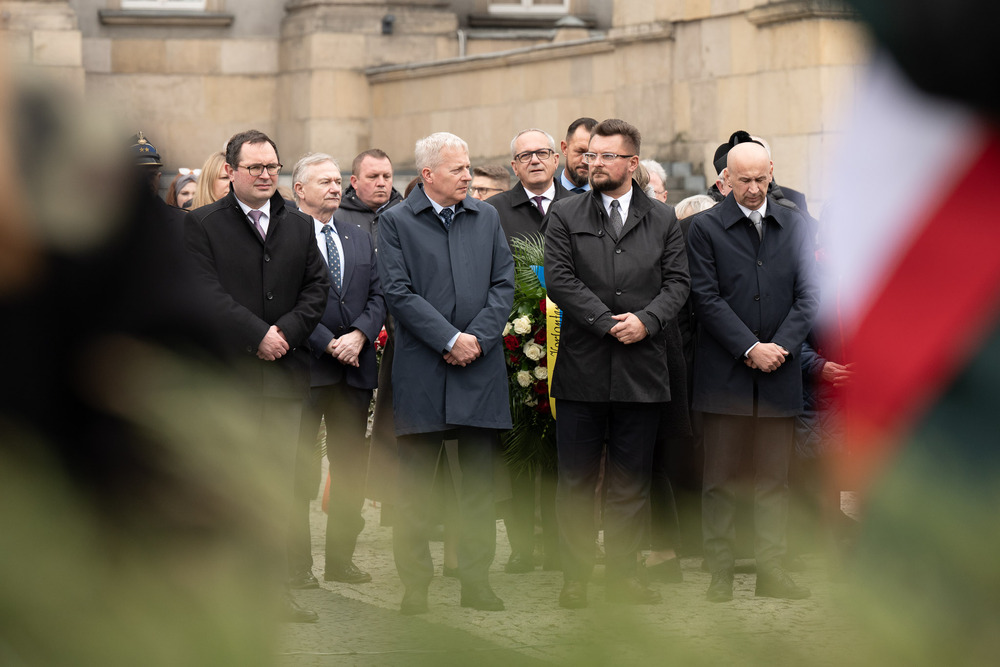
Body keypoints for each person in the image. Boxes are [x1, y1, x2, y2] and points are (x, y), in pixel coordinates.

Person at [184, 129, 329, 623]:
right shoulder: (203, 225)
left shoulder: (299, 225)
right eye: (256, 167)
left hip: (284, 380)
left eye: (272, 166)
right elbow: (203, 293)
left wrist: (284, 332)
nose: (267, 175)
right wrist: (257, 335)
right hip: (230, 379)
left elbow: (316, 289)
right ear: (230, 171)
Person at [544, 118, 690, 609]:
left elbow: (678, 283)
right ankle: (576, 578)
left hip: (641, 371)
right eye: (591, 154)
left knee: (631, 482)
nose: (594, 163)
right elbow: (559, 279)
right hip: (582, 370)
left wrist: (647, 321)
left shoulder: (662, 218)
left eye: (607, 156)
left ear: (632, 163)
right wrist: (605, 322)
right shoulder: (565, 213)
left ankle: (625, 576)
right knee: (576, 482)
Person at [377, 131, 515, 615]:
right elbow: (397, 292)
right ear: (428, 174)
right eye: (458, 169)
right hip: (424, 370)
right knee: (416, 490)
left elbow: (504, 283)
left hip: (479, 367)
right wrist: (450, 339)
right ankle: (415, 587)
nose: (468, 176)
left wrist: (476, 338)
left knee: (478, 489)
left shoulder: (486, 216)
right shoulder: (395, 221)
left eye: (469, 167)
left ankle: (477, 583)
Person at [686, 140, 819, 603]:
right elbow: (705, 298)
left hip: (780, 372)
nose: (754, 188)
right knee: (720, 481)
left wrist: (779, 347)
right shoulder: (704, 228)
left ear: (772, 171)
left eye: (762, 178)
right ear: (725, 179)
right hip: (725, 375)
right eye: (744, 180)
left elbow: (810, 295)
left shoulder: (795, 224)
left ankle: (772, 571)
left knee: (774, 482)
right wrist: (750, 347)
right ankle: (720, 572)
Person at [286, 153, 386, 590]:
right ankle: (296, 565)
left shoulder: (356, 235)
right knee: (299, 472)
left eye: (336, 180)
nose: (334, 187)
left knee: (350, 470)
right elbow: (286, 301)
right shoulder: (285, 237)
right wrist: (328, 341)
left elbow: (379, 294)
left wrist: (361, 335)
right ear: (299, 190)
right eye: (324, 181)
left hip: (354, 370)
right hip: (308, 369)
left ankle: (341, 561)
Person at [485, 128, 569, 574]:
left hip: (571, 345)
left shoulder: (579, 205)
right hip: (514, 347)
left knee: (562, 450)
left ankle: (558, 544)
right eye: (525, 155)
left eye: (542, 153)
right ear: (514, 166)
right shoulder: (494, 212)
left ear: (556, 159)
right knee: (519, 447)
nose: (535, 160)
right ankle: (521, 546)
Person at [337, 148, 402, 245]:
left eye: (386, 176)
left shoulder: (406, 215)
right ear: (354, 182)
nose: (381, 183)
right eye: (373, 177)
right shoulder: (335, 217)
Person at [559, 117, 597, 193]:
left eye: (592, 155)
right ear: (565, 148)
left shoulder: (609, 197)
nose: (585, 161)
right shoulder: (544, 194)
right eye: (580, 152)